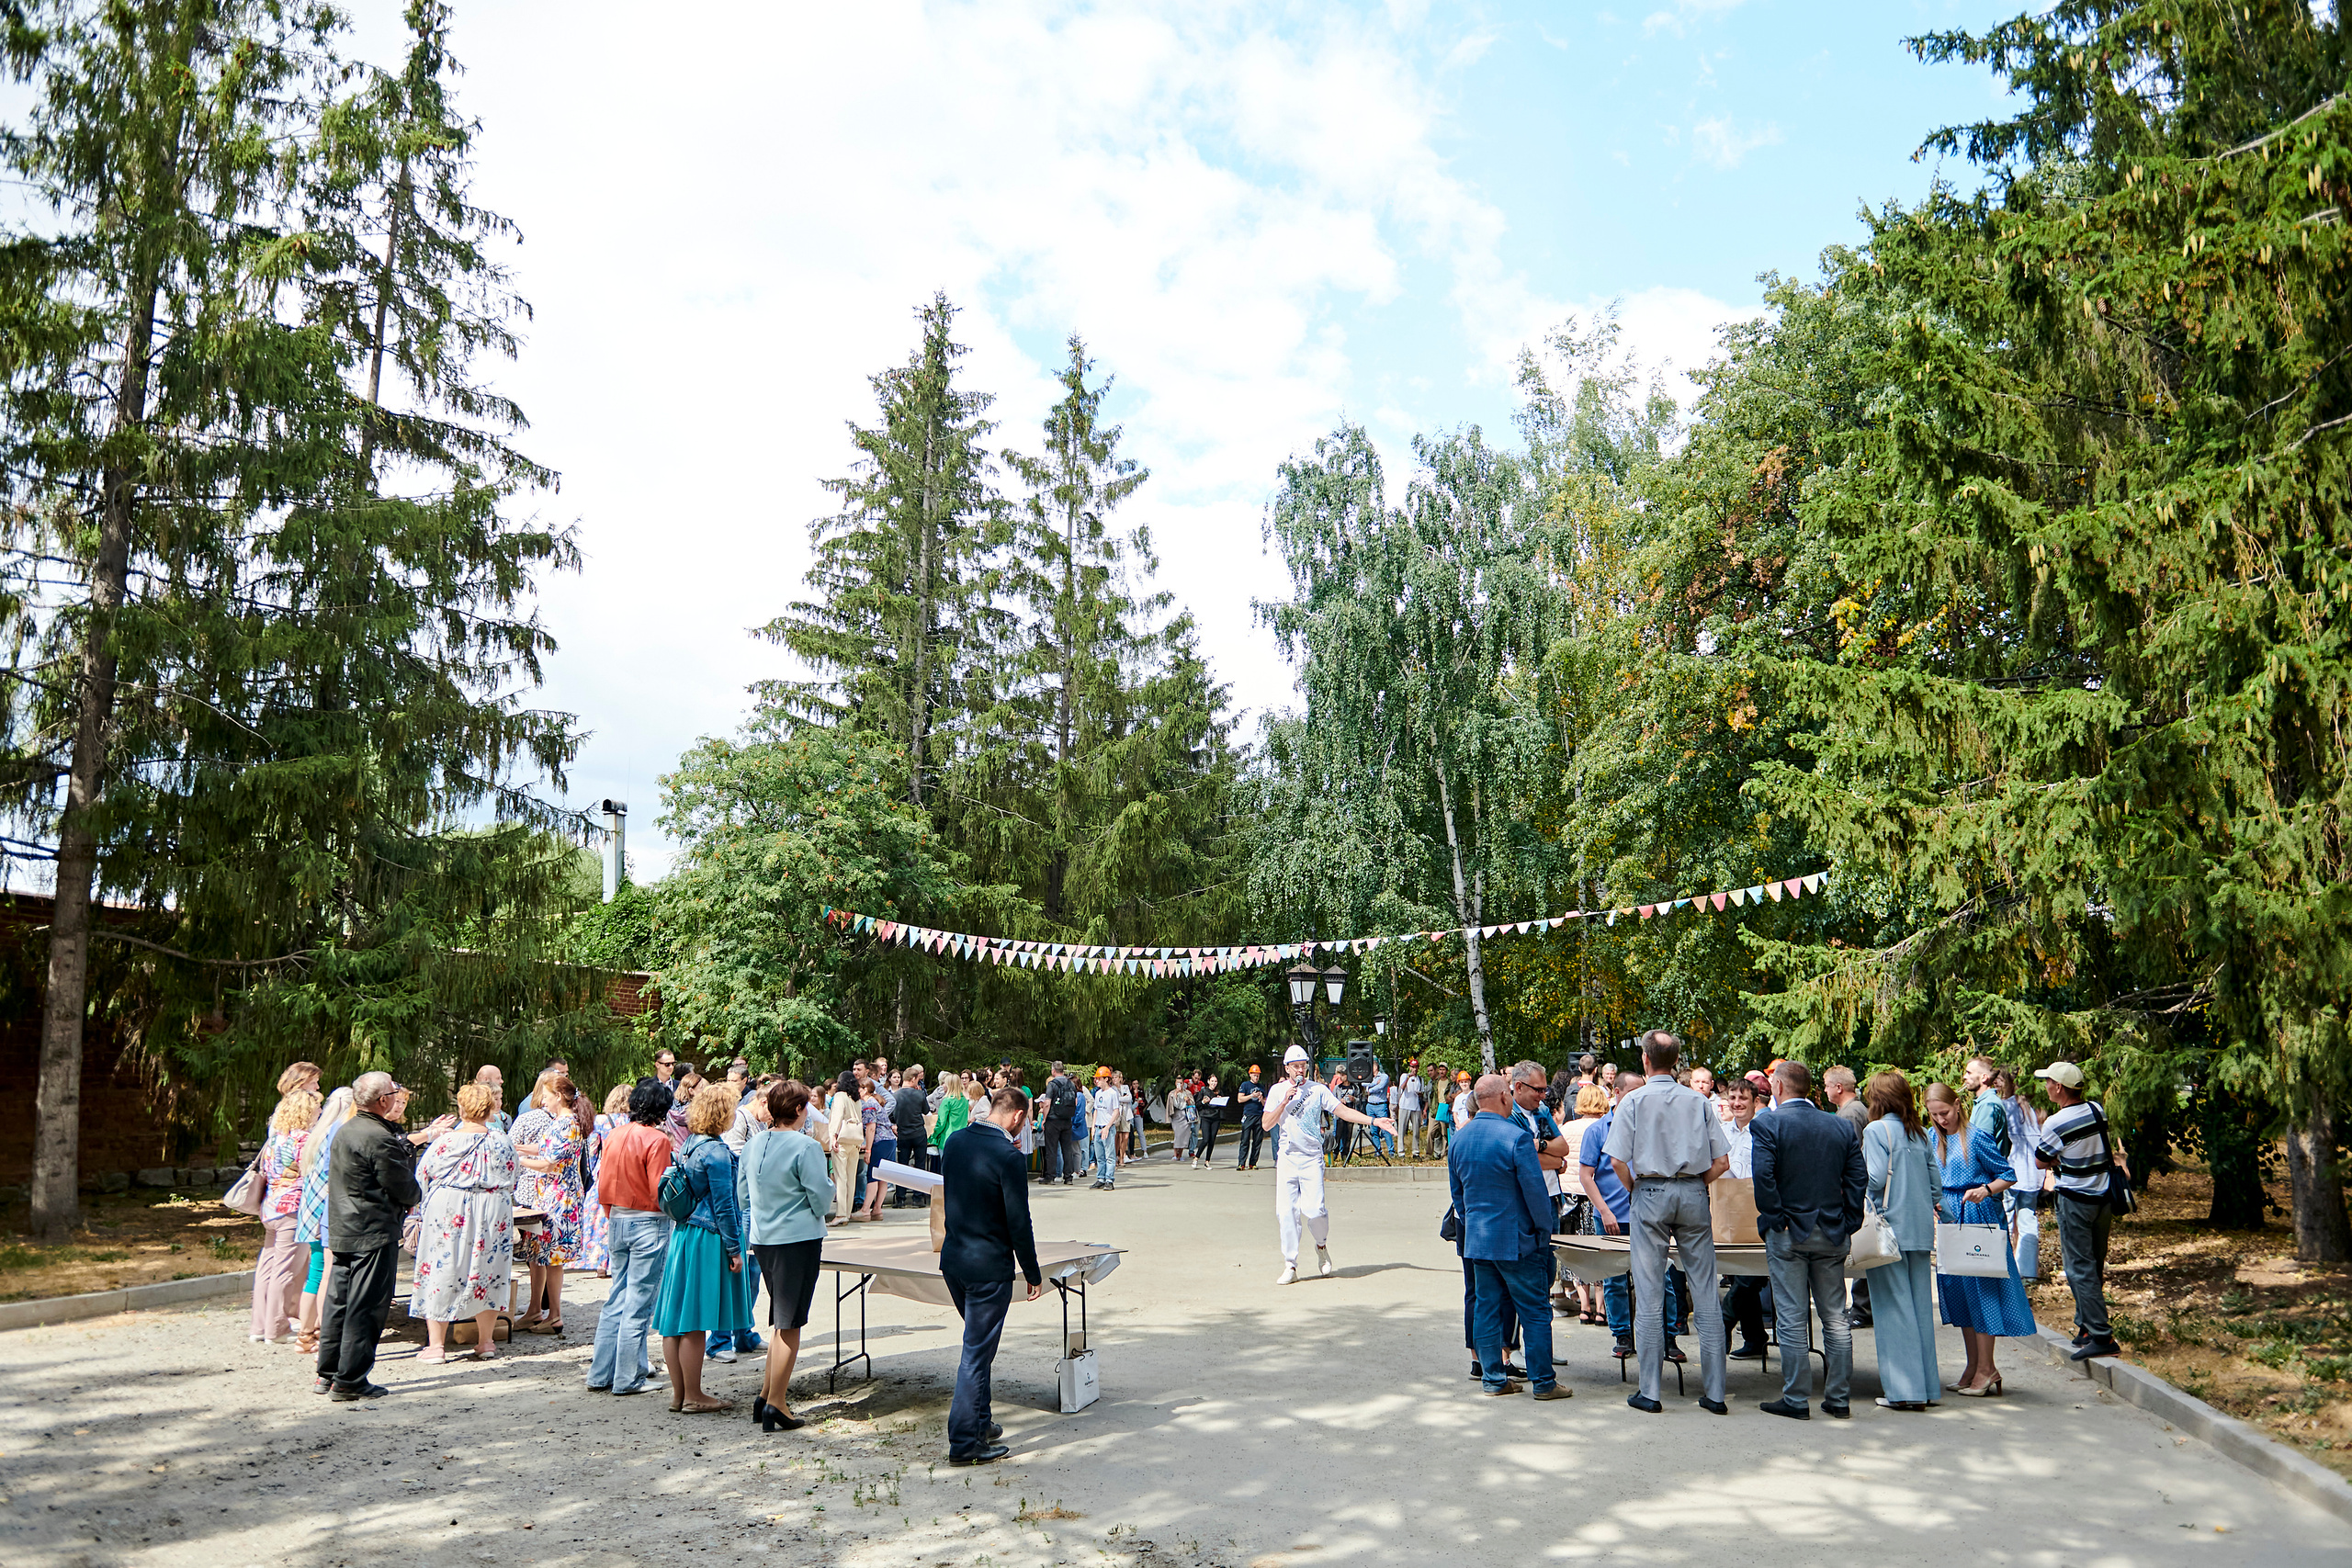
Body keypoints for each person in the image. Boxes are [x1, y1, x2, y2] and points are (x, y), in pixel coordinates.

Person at [1602, 1031, 1732, 1415]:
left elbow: (1617, 1161)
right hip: (1692, 1191)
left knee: (1649, 1292)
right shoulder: (1699, 1101)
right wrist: (1695, 1185)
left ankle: (1651, 1391)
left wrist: (1636, 1190)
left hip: (1650, 1190)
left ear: (1645, 1060)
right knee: (1705, 1291)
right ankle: (1716, 1394)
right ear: (1676, 1061)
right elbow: (1722, 1161)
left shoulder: (1633, 1101)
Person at [316, 1073, 447, 1401]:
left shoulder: (346, 1129)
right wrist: (414, 1193)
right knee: (366, 1306)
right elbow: (404, 1187)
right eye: (394, 1091)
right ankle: (349, 1380)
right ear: (383, 1100)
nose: (397, 1094)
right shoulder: (377, 1136)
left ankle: (328, 1374)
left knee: (339, 1303)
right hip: (371, 1231)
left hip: (344, 1227)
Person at [1750, 1060, 1866, 1420]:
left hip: (1788, 1231)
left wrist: (1775, 1218)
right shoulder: (1838, 1125)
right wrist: (1850, 1220)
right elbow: (1858, 1177)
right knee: (1836, 1317)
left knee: (1791, 1316)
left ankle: (1797, 1398)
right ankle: (1838, 1398)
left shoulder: (1768, 1123)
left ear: (1778, 1087)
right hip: (1832, 1229)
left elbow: (1762, 1175)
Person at [1450, 1073, 1571, 1401]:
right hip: (1518, 1241)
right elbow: (1535, 1194)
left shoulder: (1459, 1138)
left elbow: (1457, 1195)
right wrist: (1543, 1231)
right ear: (1504, 1097)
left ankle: (1493, 1378)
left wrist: (1473, 1224)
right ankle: (1544, 1382)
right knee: (1534, 1310)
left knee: (1486, 1308)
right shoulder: (1516, 1138)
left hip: (1479, 1239)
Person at [940, 1088, 1044, 1465]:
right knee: (976, 1353)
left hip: (955, 1261)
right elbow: (1019, 1221)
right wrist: (1032, 1271)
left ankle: (980, 1422)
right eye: (1025, 1121)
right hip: (987, 1267)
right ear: (1017, 1116)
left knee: (979, 1348)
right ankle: (965, 1441)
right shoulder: (1008, 1156)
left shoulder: (955, 1142)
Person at [1925, 1081, 2034, 1396]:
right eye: (1934, 1115)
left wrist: (1985, 1190)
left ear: (1957, 1105)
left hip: (1978, 1217)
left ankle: (1987, 1368)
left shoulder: (1976, 1137)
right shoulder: (1932, 1138)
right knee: (1960, 1294)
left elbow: (2008, 1175)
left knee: (1982, 1291)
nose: (1941, 1119)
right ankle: (1973, 1367)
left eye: (1944, 1112)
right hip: (1950, 1220)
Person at [651, 1082, 753, 1413]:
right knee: (695, 1320)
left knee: (676, 1320)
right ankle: (694, 1396)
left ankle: (680, 1395)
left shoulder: (690, 1144)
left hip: (684, 1234)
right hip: (707, 1238)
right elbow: (725, 1206)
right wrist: (734, 1249)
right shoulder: (717, 1152)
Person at [740, 1078, 834, 1433]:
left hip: (764, 1239)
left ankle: (767, 1394)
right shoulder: (805, 1146)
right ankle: (776, 1402)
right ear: (798, 1109)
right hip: (797, 1239)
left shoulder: (754, 1144)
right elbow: (821, 1200)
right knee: (789, 1323)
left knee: (782, 1320)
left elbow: (742, 1195)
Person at [1263, 1043, 1396, 1283]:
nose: (1300, 1070)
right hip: (1288, 1158)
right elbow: (1266, 1124)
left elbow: (1343, 1111)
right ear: (1287, 1068)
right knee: (1286, 1212)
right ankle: (1290, 1265)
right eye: (1295, 1066)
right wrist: (1283, 1102)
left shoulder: (1318, 1090)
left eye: (1303, 1065)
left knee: (1315, 1210)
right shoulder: (1277, 1091)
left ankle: (1321, 1246)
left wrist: (1374, 1121)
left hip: (1311, 1157)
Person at [412, 1082, 518, 1363]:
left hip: (450, 1207)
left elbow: (423, 1175)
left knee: (443, 1267)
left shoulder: (445, 1142)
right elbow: (513, 1176)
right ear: (490, 1110)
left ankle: (436, 1346)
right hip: (493, 1208)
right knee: (490, 1271)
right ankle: (486, 1341)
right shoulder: (502, 1141)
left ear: (461, 1109)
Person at [2032, 1060, 2127, 1361]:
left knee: (2079, 1268)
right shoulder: (2097, 1110)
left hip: (2075, 1201)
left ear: (2059, 1087)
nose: (2046, 1086)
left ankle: (2101, 1335)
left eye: (2048, 1082)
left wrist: (2060, 1159)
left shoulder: (2055, 1122)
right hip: (2103, 1200)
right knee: (2094, 1264)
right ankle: (2085, 1326)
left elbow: (2040, 1160)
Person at [588, 1081, 677, 1397]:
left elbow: (603, 1181)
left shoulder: (614, 1134)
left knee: (617, 1298)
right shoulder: (657, 1139)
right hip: (647, 1221)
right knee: (638, 1303)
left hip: (617, 1218)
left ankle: (601, 1373)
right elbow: (658, 1190)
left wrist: (611, 1212)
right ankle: (628, 1377)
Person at [1861, 1070, 1940, 1409]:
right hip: (1919, 1229)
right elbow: (1936, 1186)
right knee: (1920, 1310)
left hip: (1887, 1230)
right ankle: (1927, 1388)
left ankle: (1904, 1391)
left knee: (1893, 1310)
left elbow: (1875, 1178)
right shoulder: (1919, 1134)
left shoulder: (1875, 1130)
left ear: (1877, 1099)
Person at [510, 1072, 587, 1337]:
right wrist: (519, 1148)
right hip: (552, 1195)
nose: (542, 1100)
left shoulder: (567, 1124)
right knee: (543, 1254)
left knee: (554, 1258)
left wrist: (517, 1159)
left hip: (560, 1197)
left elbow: (549, 1164)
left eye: (545, 1096)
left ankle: (554, 1315)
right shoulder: (560, 1122)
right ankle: (538, 1311)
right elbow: (544, 1149)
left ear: (558, 1096)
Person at [249, 1085, 321, 1344]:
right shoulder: (306, 1140)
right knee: (285, 1270)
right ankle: (277, 1328)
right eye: (317, 1108)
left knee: (267, 1268)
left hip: (270, 1207)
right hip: (293, 1208)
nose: (320, 1112)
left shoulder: (275, 1139)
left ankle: (259, 1327)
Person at [291, 1086, 356, 1352]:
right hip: (327, 1213)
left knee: (316, 1274)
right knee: (326, 1274)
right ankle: (319, 1334)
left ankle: (306, 1334)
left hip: (311, 1212)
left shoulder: (318, 1133)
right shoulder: (339, 1133)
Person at [1504, 1062, 1570, 1309]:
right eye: (1538, 1090)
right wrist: (1554, 1160)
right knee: (1528, 1268)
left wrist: (1540, 1146)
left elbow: (1563, 1148)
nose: (1543, 1096)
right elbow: (1522, 1159)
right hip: (1526, 1201)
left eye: (1545, 1089)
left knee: (1549, 1266)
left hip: (1551, 1199)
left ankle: (1540, 1316)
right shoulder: (1508, 1115)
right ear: (1518, 1087)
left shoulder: (1542, 1111)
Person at [1715, 1074, 1770, 1359]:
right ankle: (1755, 1338)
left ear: (1755, 1101)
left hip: (1758, 1205)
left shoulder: (1763, 1129)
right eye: (1733, 1098)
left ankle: (1725, 1318)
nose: (1737, 1103)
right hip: (1729, 1206)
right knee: (1739, 1270)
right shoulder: (1722, 1131)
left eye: (1743, 1098)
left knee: (1754, 1272)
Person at [1993, 1067, 2045, 1278]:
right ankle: (2028, 1271)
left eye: (1999, 1080)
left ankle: (2001, 1267)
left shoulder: (2003, 1106)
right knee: (2027, 1219)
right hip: (2032, 1175)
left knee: (2004, 1218)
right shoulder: (2028, 1108)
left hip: (2011, 1173)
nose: (1995, 1083)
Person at [582, 1084, 631, 1278]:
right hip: (628, 1171)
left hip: (606, 1170)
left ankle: (600, 1263)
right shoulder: (634, 1121)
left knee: (600, 1218)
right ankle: (619, 1262)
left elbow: (592, 1150)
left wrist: (593, 1170)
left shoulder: (601, 1121)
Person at [825, 1069, 865, 1222]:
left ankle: (841, 1214)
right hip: (855, 1141)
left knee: (841, 1178)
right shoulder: (856, 1099)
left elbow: (837, 1117)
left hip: (841, 1140)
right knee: (850, 1178)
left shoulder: (840, 1096)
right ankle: (847, 1212)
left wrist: (833, 1136)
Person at [1039, 1061, 1082, 1184]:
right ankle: (1068, 1177)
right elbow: (1075, 1102)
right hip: (1067, 1120)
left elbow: (1047, 1103)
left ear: (1053, 1071)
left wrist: (1044, 1119)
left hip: (1053, 1120)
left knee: (1051, 1149)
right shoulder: (1071, 1084)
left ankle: (1050, 1176)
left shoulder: (1052, 1084)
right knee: (1067, 1149)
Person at [1088, 1066, 1121, 1189]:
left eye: (1099, 1078)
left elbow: (1116, 1111)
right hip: (1098, 1127)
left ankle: (1109, 1179)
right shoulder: (1098, 1093)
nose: (1097, 1081)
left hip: (1108, 1128)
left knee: (1109, 1156)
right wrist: (1093, 1126)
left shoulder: (1112, 1093)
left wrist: (1107, 1126)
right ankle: (1100, 1178)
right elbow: (1096, 1110)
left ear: (1106, 1079)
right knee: (1100, 1156)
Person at [1233, 1064, 1269, 1170]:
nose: (1256, 1077)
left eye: (1257, 1075)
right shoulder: (1245, 1085)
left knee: (1257, 1140)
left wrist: (1261, 1099)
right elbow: (1240, 1099)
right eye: (1254, 1075)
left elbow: (1265, 1103)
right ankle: (1241, 1163)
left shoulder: (1261, 1087)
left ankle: (1253, 1162)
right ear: (1250, 1075)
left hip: (1259, 1115)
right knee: (1245, 1140)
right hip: (1248, 1115)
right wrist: (1251, 1096)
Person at [1363, 1062, 1394, 1158]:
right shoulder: (1369, 1078)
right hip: (1370, 1106)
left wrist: (1370, 1089)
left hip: (1380, 1106)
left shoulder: (1384, 1076)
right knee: (1373, 1130)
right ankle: (1377, 1151)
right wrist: (1375, 1083)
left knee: (1385, 1129)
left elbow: (1381, 1086)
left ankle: (1391, 1151)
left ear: (1375, 1067)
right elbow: (1363, 1083)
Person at [1397, 1062, 1427, 1158]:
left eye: (1416, 1067)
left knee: (1416, 1131)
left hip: (1415, 1106)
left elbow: (1422, 1092)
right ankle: (1401, 1152)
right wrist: (1408, 1078)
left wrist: (1420, 1094)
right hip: (1405, 1105)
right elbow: (1402, 1087)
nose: (1414, 1069)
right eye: (1413, 1067)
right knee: (1402, 1129)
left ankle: (1416, 1152)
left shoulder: (1420, 1079)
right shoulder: (1404, 1076)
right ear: (1410, 1068)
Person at [1168, 1077, 1196, 1165]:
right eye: (1178, 1083)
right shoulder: (1172, 1093)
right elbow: (1173, 1105)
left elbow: (1192, 1104)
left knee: (1184, 1136)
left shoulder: (1187, 1093)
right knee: (1177, 1135)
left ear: (1183, 1083)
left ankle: (1180, 1154)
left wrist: (1188, 1101)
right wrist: (1176, 1095)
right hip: (1176, 1116)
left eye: (1181, 1083)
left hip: (1186, 1116)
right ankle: (1175, 1154)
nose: (1179, 1085)